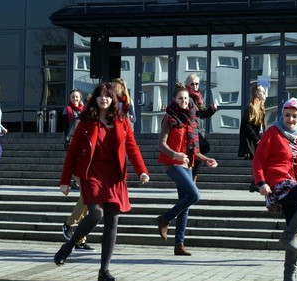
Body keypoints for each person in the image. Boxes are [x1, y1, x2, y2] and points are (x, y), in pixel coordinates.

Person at [54, 83, 150, 281]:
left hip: (115, 175)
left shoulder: (122, 121)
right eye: (100, 96)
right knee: (96, 214)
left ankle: (103, 271)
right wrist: (64, 181)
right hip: (91, 173)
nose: (103, 99)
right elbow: (72, 152)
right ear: (95, 99)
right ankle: (68, 246)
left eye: (107, 96)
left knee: (112, 222)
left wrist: (142, 171)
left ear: (112, 99)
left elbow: (132, 147)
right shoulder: (86, 121)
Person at [253, 98, 297, 281]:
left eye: (294, 116)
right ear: (282, 114)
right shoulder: (273, 132)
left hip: (295, 183)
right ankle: (287, 235)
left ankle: (289, 276)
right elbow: (258, 160)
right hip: (278, 185)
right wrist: (261, 183)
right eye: (287, 115)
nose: (290, 119)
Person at [156, 83, 218, 256]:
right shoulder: (169, 118)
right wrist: (174, 154)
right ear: (174, 100)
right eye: (180, 98)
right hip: (172, 164)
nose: (184, 101)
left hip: (188, 164)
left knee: (186, 204)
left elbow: (194, 150)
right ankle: (164, 218)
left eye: (186, 98)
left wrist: (206, 160)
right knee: (194, 195)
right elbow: (161, 144)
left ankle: (179, 244)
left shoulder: (191, 120)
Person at [60, 88, 94, 251]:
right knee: (88, 197)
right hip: (79, 167)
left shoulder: (99, 123)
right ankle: (69, 225)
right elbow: (69, 143)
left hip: (93, 168)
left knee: (89, 201)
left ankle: (79, 238)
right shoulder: (80, 121)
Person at [185, 74, 217, 182]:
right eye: (192, 84)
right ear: (187, 85)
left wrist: (212, 110)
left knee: (197, 152)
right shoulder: (187, 98)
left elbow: (202, 114)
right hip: (190, 130)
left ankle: (192, 177)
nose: (194, 86)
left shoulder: (198, 97)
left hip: (199, 129)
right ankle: (192, 177)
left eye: (197, 84)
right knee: (203, 148)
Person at [238, 83, 267, 160]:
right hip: (253, 142)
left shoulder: (261, 109)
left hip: (258, 139)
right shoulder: (251, 107)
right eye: (262, 91)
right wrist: (256, 139)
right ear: (256, 93)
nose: (264, 93)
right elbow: (247, 125)